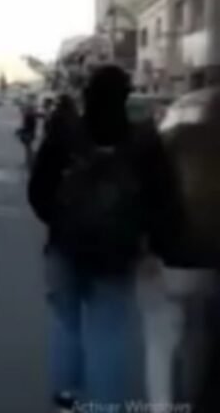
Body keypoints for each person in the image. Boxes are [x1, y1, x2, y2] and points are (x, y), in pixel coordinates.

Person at [27, 65, 179, 411]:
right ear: (125, 97)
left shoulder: (65, 133)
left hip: (64, 248)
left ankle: (66, 394)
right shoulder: (143, 141)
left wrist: (60, 221)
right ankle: (105, 406)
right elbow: (163, 200)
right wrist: (155, 244)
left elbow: (38, 190)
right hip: (116, 253)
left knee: (66, 322)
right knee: (108, 334)